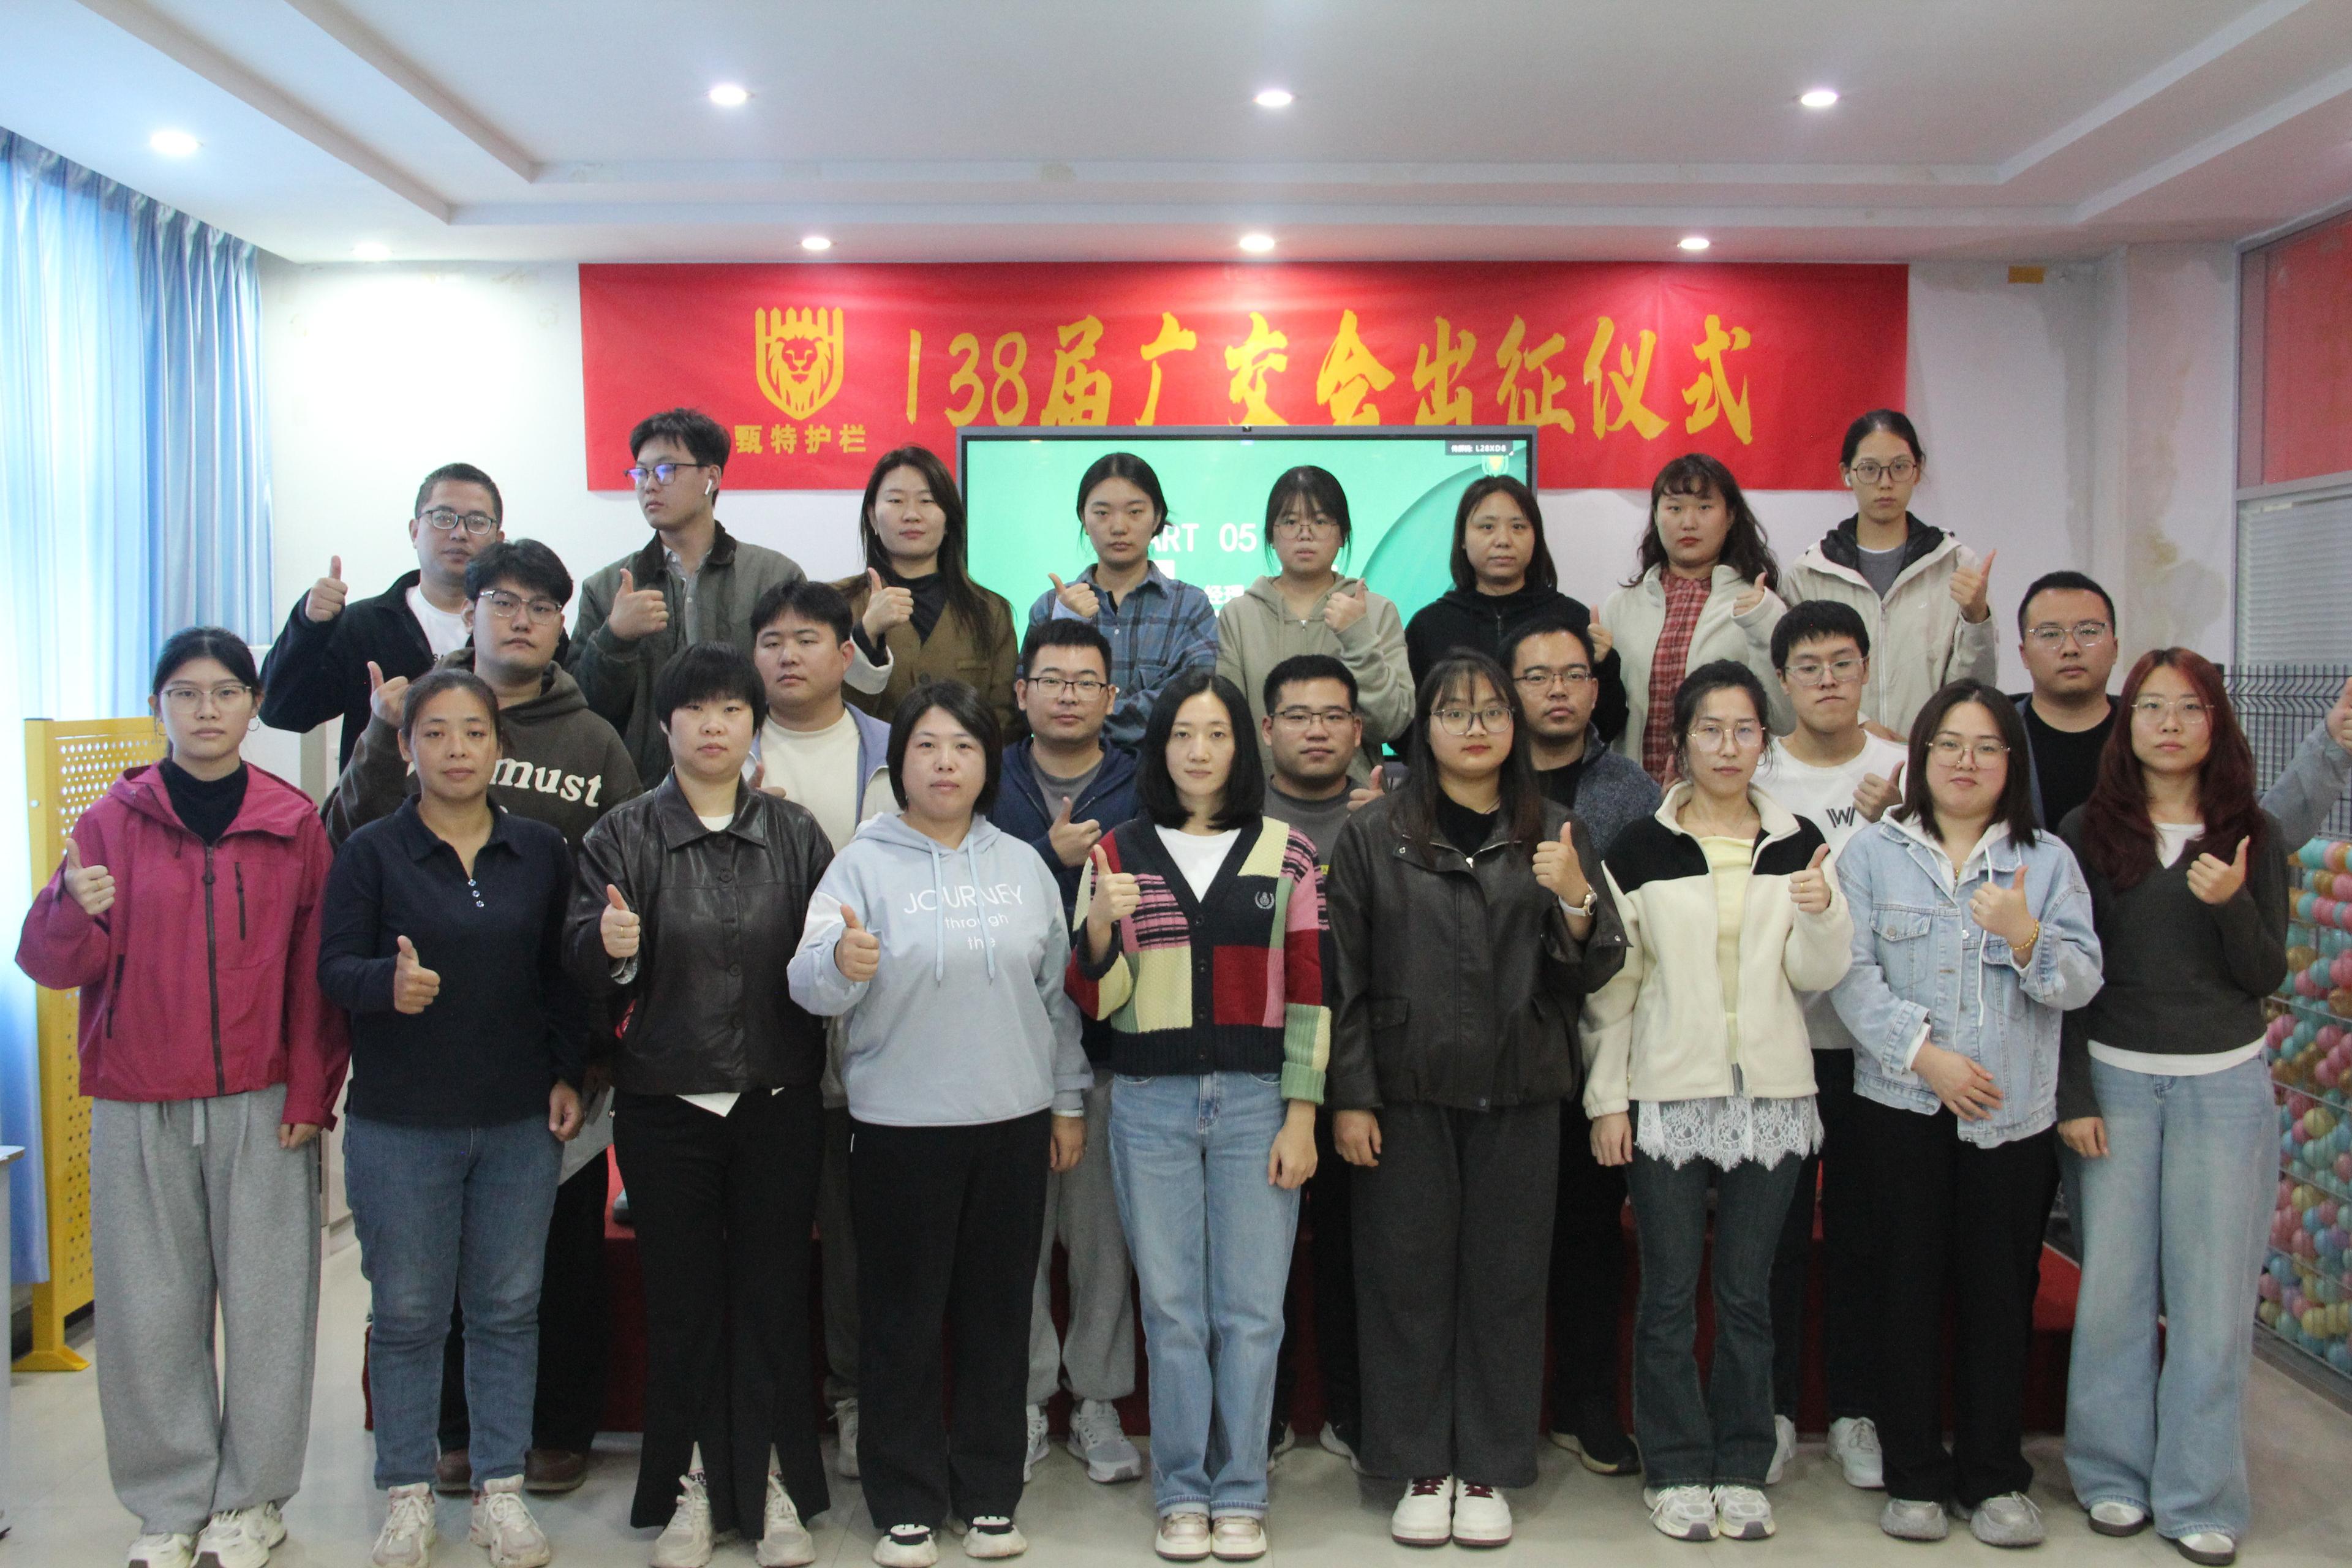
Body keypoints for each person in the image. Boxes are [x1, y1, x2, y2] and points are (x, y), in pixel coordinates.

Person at [17, 628, 349, 1568]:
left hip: (263, 1099)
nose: (207, 711)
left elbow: (314, 978)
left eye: (226, 693)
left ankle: (253, 1500)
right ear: (159, 704)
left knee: (271, 1306)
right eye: (186, 693)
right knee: (147, 1310)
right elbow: (52, 966)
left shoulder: (292, 823)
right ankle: (168, 1505)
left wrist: (309, 1095)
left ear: (252, 705)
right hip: (138, 1099)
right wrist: (67, 910)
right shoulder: (110, 822)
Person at [325, 538, 639, 1499]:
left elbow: (613, 888)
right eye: (503, 602)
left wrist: (583, 1052)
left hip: (544, 1059)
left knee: (550, 1267)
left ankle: (548, 1435)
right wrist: (383, 733)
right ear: (472, 611)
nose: (520, 620)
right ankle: (446, 1442)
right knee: (424, 1289)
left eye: (542, 608)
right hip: (413, 1078)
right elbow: (347, 849)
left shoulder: (593, 746)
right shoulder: (407, 723)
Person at [788, 682, 1093, 1567]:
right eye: (927, 746)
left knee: (1001, 1314)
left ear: (988, 762)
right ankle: (906, 1500)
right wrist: (843, 964)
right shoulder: (861, 864)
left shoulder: (1023, 864)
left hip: (1010, 1121)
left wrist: (1066, 1099)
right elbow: (809, 987)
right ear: (901, 763)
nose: (946, 762)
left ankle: (991, 1493)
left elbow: (1057, 999)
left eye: (963, 746)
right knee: (902, 1320)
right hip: (897, 1127)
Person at [1329, 652, 1625, 1549]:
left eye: (1493, 710)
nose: (1475, 727)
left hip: (1522, 1090)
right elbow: (1341, 978)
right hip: (1406, 1092)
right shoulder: (1373, 834)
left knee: (1505, 1285)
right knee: (1404, 1285)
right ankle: (1420, 1464)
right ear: (1424, 726)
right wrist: (1351, 1098)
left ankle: (1490, 1467)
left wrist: (1576, 904)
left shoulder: (1558, 831)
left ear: (1516, 726)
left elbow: (1597, 968)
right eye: (1453, 713)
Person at [564, 644, 837, 1568]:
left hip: (777, 1099)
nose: (714, 726)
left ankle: (764, 1485)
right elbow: (581, 968)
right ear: (668, 725)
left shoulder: (797, 836)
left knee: (769, 1298)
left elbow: (825, 965)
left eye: (732, 710)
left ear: (753, 724)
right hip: (664, 1104)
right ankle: (689, 1485)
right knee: (682, 1303)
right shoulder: (620, 835)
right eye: (697, 710)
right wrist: (610, 947)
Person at [318, 668, 589, 1568]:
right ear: (406, 748)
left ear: (500, 748)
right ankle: (406, 1491)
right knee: (406, 1314)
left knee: (509, 1309)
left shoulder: (543, 851)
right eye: (435, 733)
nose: (457, 750)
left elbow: (561, 978)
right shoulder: (370, 852)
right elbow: (332, 971)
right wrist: (385, 987)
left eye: (474, 733)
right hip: (403, 1123)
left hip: (517, 1119)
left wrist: (566, 1075)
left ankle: (500, 1494)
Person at [1581, 660, 1851, 1544]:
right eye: (1710, 730)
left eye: (1744, 731)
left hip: (1773, 1096)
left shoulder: (1798, 840)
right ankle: (1673, 1466)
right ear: (1680, 743)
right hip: (1666, 1093)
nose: (1727, 747)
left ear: (1763, 743)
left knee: (1746, 1296)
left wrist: (1820, 909)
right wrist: (1608, 1102)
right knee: (1667, 1295)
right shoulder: (1640, 850)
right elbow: (1616, 987)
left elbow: (1819, 976)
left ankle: (1740, 1464)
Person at [1829, 683, 2103, 1547]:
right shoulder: (1873, 852)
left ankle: (1993, 1477)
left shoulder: (2049, 861)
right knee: (1902, 1288)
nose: (1966, 763)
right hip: (1901, 1106)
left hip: (2011, 1120)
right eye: (1949, 745)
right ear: (1921, 755)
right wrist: (1926, 1057)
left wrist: (2025, 936)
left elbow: (2082, 980)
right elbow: (1846, 971)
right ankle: (1913, 1474)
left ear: (2011, 764)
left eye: (1987, 747)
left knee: (1998, 1294)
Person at [1067, 671, 1326, 1562]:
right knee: (1174, 1311)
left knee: (1251, 1311)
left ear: (1240, 747)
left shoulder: (1287, 853)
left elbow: (1310, 996)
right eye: (1183, 734)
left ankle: (1241, 1491)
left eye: (1216, 734)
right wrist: (1099, 930)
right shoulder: (1117, 851)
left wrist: (1302, 1113)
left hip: (1258, 1104)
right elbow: (1099, 1002)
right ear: (1160, 746)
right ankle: (1182, 1490)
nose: (1200, 751)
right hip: (1150, 1103)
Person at [2056, 650, 2290, 1567]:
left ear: (2214, 724)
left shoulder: (2251, 832)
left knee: (2213, 1297)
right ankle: (2111, 1475)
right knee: (2113, 1288)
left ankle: (2201, 1492)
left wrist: (2232, 904)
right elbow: (2065, 978)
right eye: (2150, 706)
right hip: (2115, 1076)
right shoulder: (2086, 829)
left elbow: (2264, 973)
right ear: (2129, 724)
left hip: (2225, 1085)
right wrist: (2073, 1094)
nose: (2167, 723)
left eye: (2187, 707)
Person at [1493, 614, 1660, 1474]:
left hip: (1591, 1050)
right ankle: (1500, 1411)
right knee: (1500, 1245)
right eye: (1536, 676)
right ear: (1505, 690)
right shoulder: (1473, 777)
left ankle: (1584, 1403)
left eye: (1572, 675)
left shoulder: (1632, 791)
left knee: (1590, 1240)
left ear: (1597, 690)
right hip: (1495, 1047)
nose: (1557, 691)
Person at [986, 620, 1148, 1487]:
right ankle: (1020, 1398)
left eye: (1088, 683)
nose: (1069, 696)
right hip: (1006, 1053)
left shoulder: (1141, 785)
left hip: (1112, 1047)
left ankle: (1096, 1398)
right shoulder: (989, 779)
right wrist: (1048, 863)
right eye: (1051, 680)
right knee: (1016, 1239)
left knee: (1101, 1241)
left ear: (1111, 699)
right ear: (1022, 692)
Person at [1752, 600, 1909, 1488]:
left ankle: (1855, 1411)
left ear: (1864, 669)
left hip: (1874, 1047)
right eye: (1807, 667)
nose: (1825, 680)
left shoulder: (1903, 768)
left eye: (1841, 664)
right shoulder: (1759, 769)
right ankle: (1772, 1409)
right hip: (1780, 1042)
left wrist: (1896, 819)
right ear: (1783, 681)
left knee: (1862, 1234)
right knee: (1770, 1237)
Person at [744, 578, 894, 1483]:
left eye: (807, 639)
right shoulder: (721, 747)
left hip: (866, 1034)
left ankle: (851, 1394)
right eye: (771, 640)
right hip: (754, 1031)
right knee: (761, 1233)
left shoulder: (890, 748)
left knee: (852, 1233)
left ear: (849, 653)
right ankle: (761, 1409)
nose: (787, 655)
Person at [570, 407, 889, 785]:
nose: (649, 485)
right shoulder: (607, 588)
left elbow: (802, 691)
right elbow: (582, 710)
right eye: (640, 473)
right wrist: (615, 639)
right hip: (638, 791)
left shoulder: (773, 576)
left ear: (711, 478)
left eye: (665, 470)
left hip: (754, 784)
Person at [1254, 654, 1372, 1466]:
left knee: (1355, 1249)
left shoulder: (1387, 816)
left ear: (1358, 731)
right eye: (1298, 715)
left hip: (1364, 1064)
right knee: (1257, 1257)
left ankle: (1354, 1410)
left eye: (1333, 716)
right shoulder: (1237, 816)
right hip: (1265, 1062)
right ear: (1266, 731)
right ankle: (1260, 1413)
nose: (1317, 730)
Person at [2010, 570, 2352, 838]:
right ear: (2024, 654)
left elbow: (2262, 831)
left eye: (2088, 631)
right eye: (2050, 634)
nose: (2070, 647)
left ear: (2115, 647)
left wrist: (2332, 744)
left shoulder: (2158, 735)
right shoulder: (1995, 738)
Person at [260, 462, 505, 769]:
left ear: (499, 540)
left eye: (477, 522)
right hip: (378, 810)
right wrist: (308, 627)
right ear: (415, 532)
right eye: (443, 518)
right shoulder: (362, 624)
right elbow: (282, 712)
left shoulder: (518, 628)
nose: (459, 533)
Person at [1781, 412, 1998, 737]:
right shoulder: (1810, 573)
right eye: (1870, 469)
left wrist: (1977, 617)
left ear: (1918, 471)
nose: (1885, 483)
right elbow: (1796, 679)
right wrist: (1862, 728)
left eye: (1899, 467)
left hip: (1927, 760)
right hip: (1839, 754)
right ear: (1847, 474)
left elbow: (1973, 689)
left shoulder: (1955, 563)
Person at [1598, 456, 1789, 783]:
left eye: (1704, 508)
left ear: (1730, 517)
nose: (1688, 522)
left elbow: (1783, 721)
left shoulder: (1756, 604)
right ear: (1656, 517)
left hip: (1725, 795)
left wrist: (1764, 623)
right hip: (1635, 795)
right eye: (1674, 508)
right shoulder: (1619, 607)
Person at [1215, 465, 1412, 782]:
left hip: (1355, 806)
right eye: (1290, 522)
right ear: (1271, 534)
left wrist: (1358, 636)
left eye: (1320, 521)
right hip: (1261, 809)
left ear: (1342, 534)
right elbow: (1227, 727)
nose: (1305, 533)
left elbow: (1390, 724)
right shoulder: (1239, 615)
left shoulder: (1376, 611)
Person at [1402, 475, 1628, 745]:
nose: (1503, 540)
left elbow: (1607, 726)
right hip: (1459, 781)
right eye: (1487, 527)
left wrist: (1604, 664)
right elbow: (1408, 730)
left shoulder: (1571, 621)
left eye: (1518, 527)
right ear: (1462, 538)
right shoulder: (1429, 626)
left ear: (1536, 538)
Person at [1028, 451, 1218, 749]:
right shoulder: (1051, 606)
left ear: (1157, 517)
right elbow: (1032, 700)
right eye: (1102, 513)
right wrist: (1066, 624)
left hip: (1162, 781)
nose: (1118, 527)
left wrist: (1087, 718)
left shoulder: (1190, 607)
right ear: (1083, 517)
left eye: (1135, 512)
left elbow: (1192, 699)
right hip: (1073, 777)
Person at [842, 445, 1019, 736]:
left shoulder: (991, 611)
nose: (912, 515)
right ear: (873, 517)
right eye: (896, 500)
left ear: (949, 518)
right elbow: (824, 710)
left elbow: (1004, 723)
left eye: (927, 501)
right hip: (866, 776)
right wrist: (866, 635)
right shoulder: (836, 604)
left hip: (961, 777)